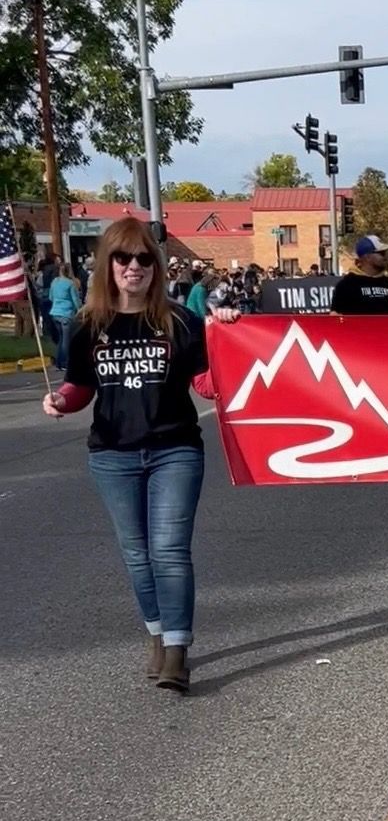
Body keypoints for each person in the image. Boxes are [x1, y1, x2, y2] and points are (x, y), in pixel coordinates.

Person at [40, 217, 238, 694]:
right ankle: (155, 632)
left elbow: (208, 385)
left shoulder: (180, 321)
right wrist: (60, 401)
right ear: (107, 265)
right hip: (112, 455)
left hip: (175, 451)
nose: (134, 267)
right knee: (136, 554)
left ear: (158, 266)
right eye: (124, 258)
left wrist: (230, 339)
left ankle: (176, 650)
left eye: (145, 258)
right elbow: (81, 387)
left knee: (169, 550)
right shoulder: (87, 325)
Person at [331, 234, 388, 314]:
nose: (385, 257)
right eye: (381, 253)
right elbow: (335, 316)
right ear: (367, 257)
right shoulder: (347, 285)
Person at [48, 262, 83, 372]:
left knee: (61, 338)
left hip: (55, 313)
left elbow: (51, 297)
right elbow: (76, 301)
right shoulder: (70, 284)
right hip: (66, 314)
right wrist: (80, 310)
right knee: (66, 340)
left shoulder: (54, 282)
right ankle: (65, 363)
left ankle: (59, 362)